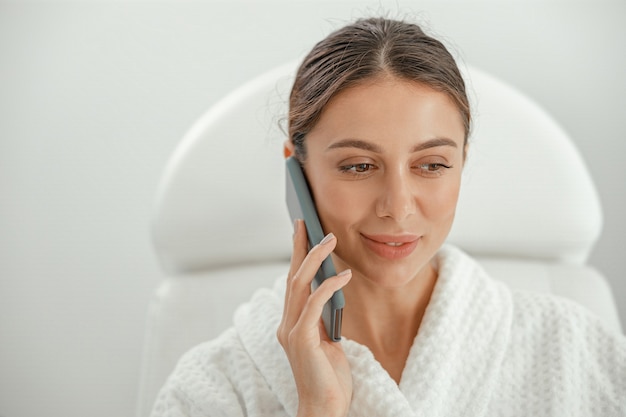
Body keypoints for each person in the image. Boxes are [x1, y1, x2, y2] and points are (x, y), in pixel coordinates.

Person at [151, 17, 626, 417]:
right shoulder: (211, 389)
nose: (397, 206)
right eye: (359, 166)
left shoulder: (577, 352)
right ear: (297, 171)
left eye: (431, 165)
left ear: (462, 162)